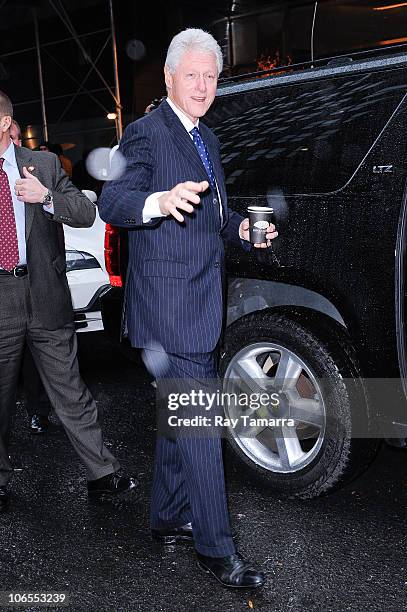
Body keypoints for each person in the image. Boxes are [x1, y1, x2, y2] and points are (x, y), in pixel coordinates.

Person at [98, 29, 278, 589]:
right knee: (201, 423)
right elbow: (113, 199)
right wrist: (159, 200)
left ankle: (168, 515)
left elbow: (215, 218)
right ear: (170, 78)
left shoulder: (209, 140)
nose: (202, 85)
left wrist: (245, 230)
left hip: (200, 298)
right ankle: (215, 548)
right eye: (192, 75)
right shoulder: (147, 133)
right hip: (169, 308)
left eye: (211, 76)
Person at [0, 90, 137, 513]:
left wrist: (44, 196)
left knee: (71, 390)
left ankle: (101, 474)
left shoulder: (40, 164)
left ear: (5, 122)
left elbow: (84, 213)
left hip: (45, 295)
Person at [10, 120, 53, 433]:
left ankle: (39, 411)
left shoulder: (40, 166)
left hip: (39, 283)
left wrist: (46, 196)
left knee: (41, 356)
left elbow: (78, 210)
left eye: (15, 135)